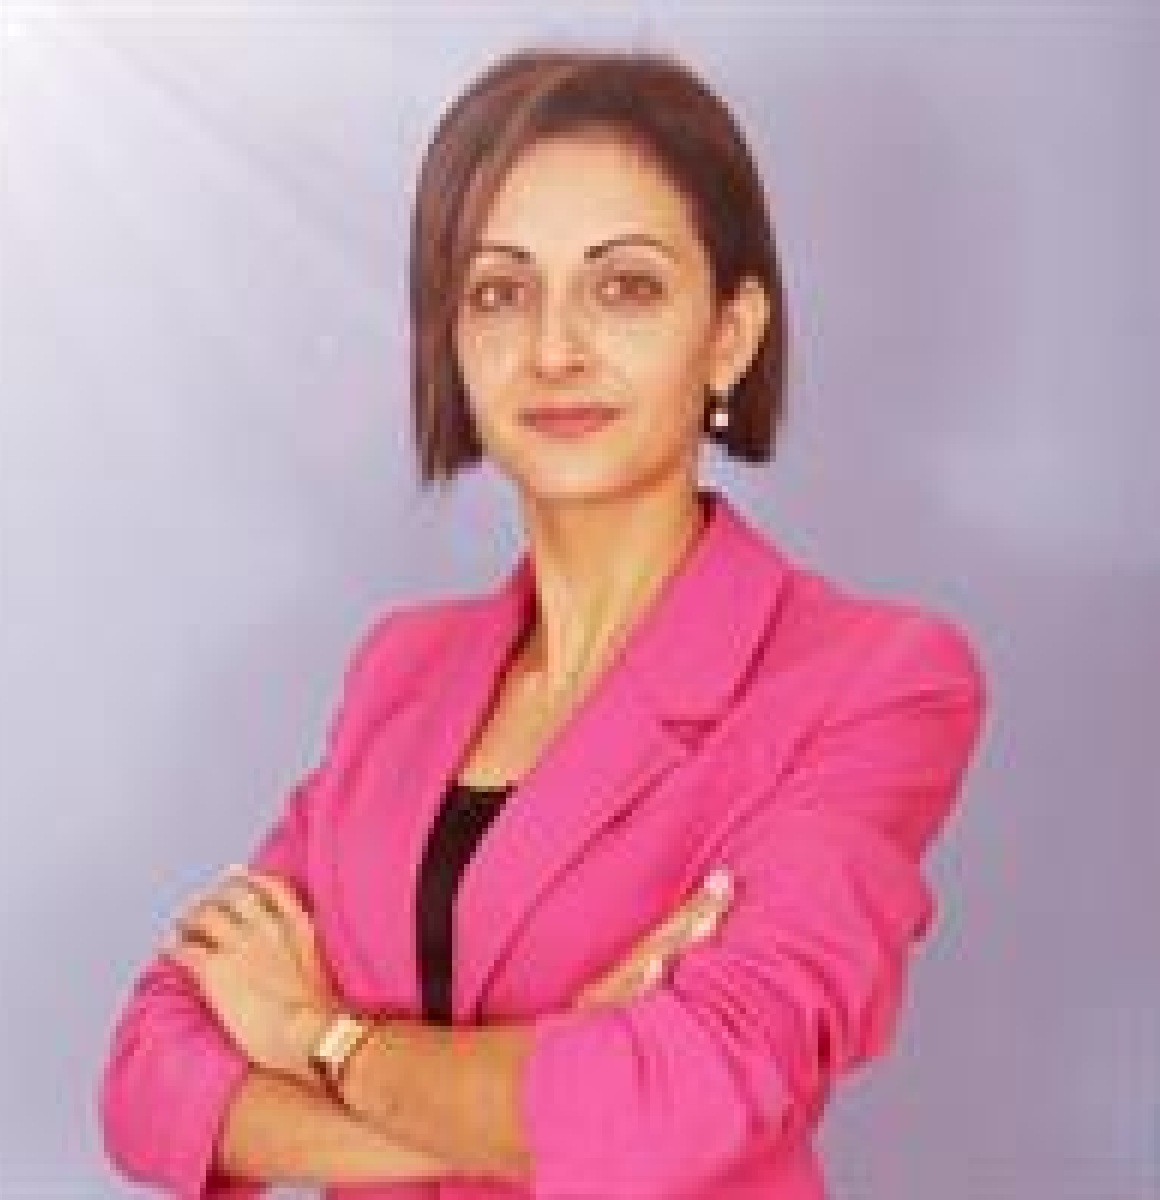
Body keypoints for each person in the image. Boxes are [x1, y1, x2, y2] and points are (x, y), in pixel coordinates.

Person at [98, 45, 988, 1200]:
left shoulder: (874, 680)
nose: (555, 348)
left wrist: (317, 1036)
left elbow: (677, 1105)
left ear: (729, 332)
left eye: (626, 287)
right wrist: (515, 1100)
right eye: (500, 292)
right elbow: (152, 1076)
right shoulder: (401, 671)